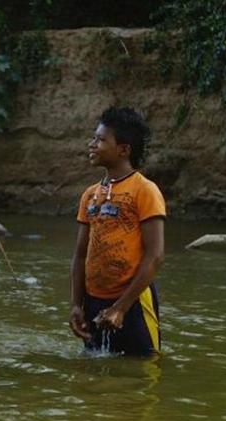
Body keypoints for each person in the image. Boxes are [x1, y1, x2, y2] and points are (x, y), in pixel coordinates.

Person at [69, 107, 166, 355]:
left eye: (101, 140)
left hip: (132, 303)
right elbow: (80, 255)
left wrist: (120, 308)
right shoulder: (90, 195)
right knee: (92, 376)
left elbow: (155, 256)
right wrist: (76, 305)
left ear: (123, 150)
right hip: (93, 303)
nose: (92, 144)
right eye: (94, 138)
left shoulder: (145, 190)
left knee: (143, 372)